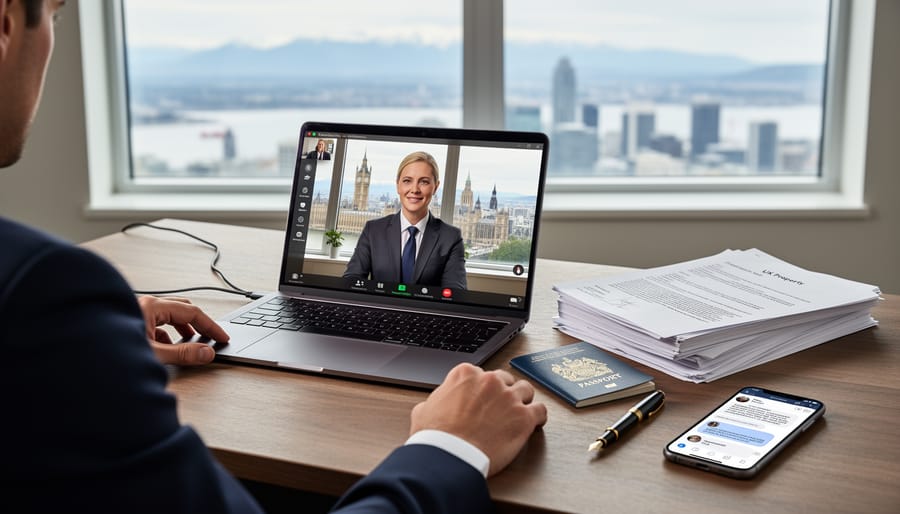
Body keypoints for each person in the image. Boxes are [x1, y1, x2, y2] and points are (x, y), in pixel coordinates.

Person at [0, 1, 547, 511]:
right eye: (53, 14)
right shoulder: (44, 294)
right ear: (7, 22)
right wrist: (450, 447)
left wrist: (95, 335)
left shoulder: (40, 299)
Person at [344, 151, 467, 289]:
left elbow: (456, 294)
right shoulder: (373, 230)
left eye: (424, 182)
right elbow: (351, 281)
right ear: (398, 185)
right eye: (407, 181)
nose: (414, 189)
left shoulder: (451, 238)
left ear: (435, 187)